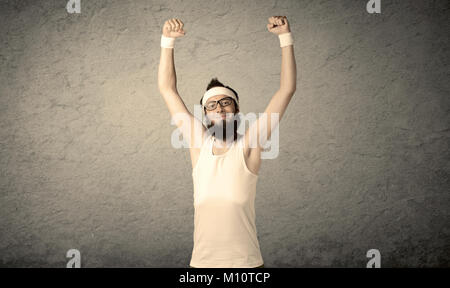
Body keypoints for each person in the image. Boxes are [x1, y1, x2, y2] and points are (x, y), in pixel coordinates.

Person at [158, 16, 297, 268]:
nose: (219, 109)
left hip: (247, 266)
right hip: (202, 266)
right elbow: (168, 89)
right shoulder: (199, 143)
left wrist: (284, 38)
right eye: (212, 105)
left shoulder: (250, 144)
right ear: (206, 115)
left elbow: (286, 89)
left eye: (225, 102)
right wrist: (167, 42)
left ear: (236, 108)